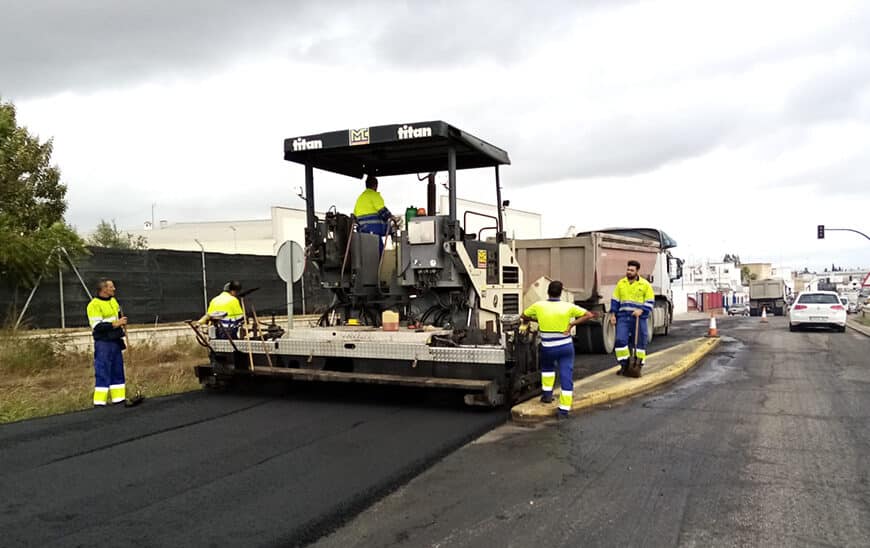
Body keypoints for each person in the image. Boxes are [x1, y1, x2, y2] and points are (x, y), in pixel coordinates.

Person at [521, 280, 597, 418]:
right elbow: (589, 315)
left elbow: (524, 315)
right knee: (566, 375)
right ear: (561, 293)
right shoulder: (568, 306)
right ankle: (564, 409)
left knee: (547, 371)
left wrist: (538, 320)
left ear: (548, 292)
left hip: (548, 348)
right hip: (565, 347)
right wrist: (572, 324)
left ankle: (547, 396)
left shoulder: (539, 306)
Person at [86, 279, 127, 406]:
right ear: (104, 289)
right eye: (111, 287)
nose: (114, 289)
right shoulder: (94, 305)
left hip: (115, 340)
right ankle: (100, 402)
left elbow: (117, 315)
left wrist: (121, 321)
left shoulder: (113, 301)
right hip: (103, 342)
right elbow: (97, 326)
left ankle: (119, 399)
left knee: (117, 369)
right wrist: (116, 324)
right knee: (103, 370)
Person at [610, 260, 655, 375]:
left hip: (639, 318)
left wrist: (642, 310)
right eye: (628, 269)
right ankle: (624, 365)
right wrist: (613, 314)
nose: (629, 272)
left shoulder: (645, 285)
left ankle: (637, 366)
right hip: (623, 317)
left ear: (637, 271)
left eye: (632, 270)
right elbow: (615, 300)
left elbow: (650, 301)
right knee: (620, 340)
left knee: (640, 343)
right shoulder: (621, 283)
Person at [353, 174, 393, 253]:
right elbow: (383, 212)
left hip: (362, 234)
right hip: (374, 233)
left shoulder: (360, 198)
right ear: (375, 185)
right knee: (378, 253)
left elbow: (355, 216)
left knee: (366, 255)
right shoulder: (374, 195)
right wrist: (392, 217)